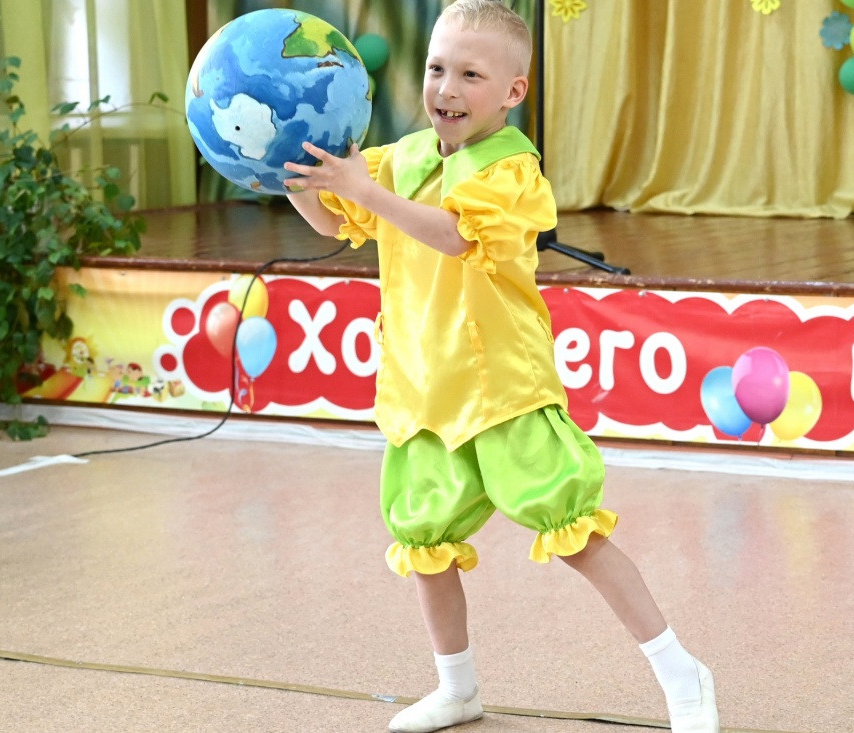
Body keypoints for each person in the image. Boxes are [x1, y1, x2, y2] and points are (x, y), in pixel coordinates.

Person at [284, 2, 719, 731]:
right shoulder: (404, 158)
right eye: (436, 69)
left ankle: (682, 672)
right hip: (424, 387)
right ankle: (458, 688)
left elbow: (455, 236)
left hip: (501, 387)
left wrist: (367, 191)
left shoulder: (512, 170)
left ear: (514, 91)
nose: (445, 88)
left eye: (470, 75)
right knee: (425, 541)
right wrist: (291, 178)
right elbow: (336, 220)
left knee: (572, 528)